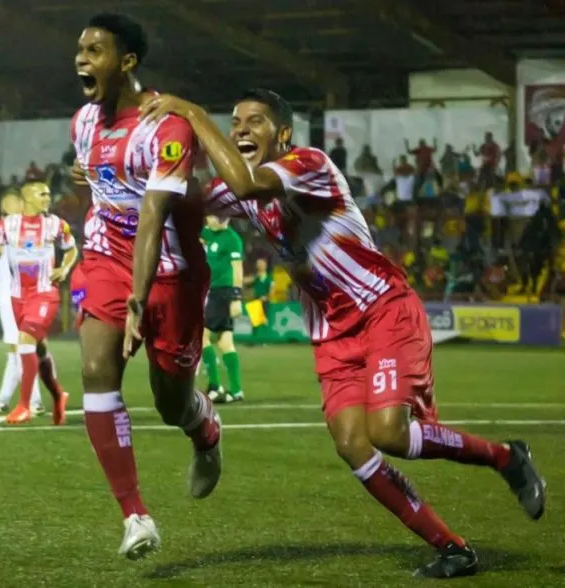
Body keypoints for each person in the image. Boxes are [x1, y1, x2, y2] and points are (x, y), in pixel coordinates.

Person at [140, 88, 547, 578]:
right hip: (333, 331)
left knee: (388, 434)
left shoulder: (307, 163)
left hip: (382, 310)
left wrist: (193, 110)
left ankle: (506, 457)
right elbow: (181, 197)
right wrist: (116, 178)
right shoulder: (239, 184)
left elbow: (246, 185)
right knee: (354, 444)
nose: (241, 129)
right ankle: (452, 548)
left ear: (283, 135)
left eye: (255, 122)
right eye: (235, 122)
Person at [71, 12, 222, 560]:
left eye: (95, 52)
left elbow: (156, 217)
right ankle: (135, 516)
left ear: (127, 61)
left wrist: (140, 298)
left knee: (170, 402)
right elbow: (102, 183)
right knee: (95, 368)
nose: (82, 61)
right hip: (107, 260)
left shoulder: (167, 126)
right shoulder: (83, 123)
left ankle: (204, 430)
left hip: (172, 278)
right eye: (80, 51)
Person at [0, 181, 76, 425]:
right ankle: (58, 394)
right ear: (27, 197)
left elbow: (71, 249)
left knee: (25, 342)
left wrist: (65, 267)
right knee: (38, 349)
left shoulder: (56, 224)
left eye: (49, 193)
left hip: (45, 293)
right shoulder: (7, 226)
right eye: (43, 194)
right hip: (18, 297)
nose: (48, 198)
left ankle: (25, 405)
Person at [0, 192, 43, 415]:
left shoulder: (5, 226)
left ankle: (34, 401)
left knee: (19, 347)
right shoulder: (38, 227)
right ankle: (3, 397)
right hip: (30, 292)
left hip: (10, 293)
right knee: (17, 348)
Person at [199, 214, 245, 403]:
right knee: (225, 342)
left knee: (201, 336)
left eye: (215, 217)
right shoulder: (208, 233)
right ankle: (236, 391)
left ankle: (215, 386)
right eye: (209, 216)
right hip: (212, 291)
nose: (211, 220)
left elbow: (237, 269)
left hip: (223, 293)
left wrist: (236, 297)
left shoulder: (232, 239)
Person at [247, 258, 274, 343]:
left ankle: (264, 340)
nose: (260, 266)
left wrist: (266, 297)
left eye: (261, 264)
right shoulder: (256, 277)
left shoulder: (269, 277)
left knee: (264, 320)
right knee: (254, 321)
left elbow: (272, 290)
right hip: (256, 300)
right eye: (258, 264)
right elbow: (246, 282)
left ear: (265, 266)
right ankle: (254, 340)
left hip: (265, 301)